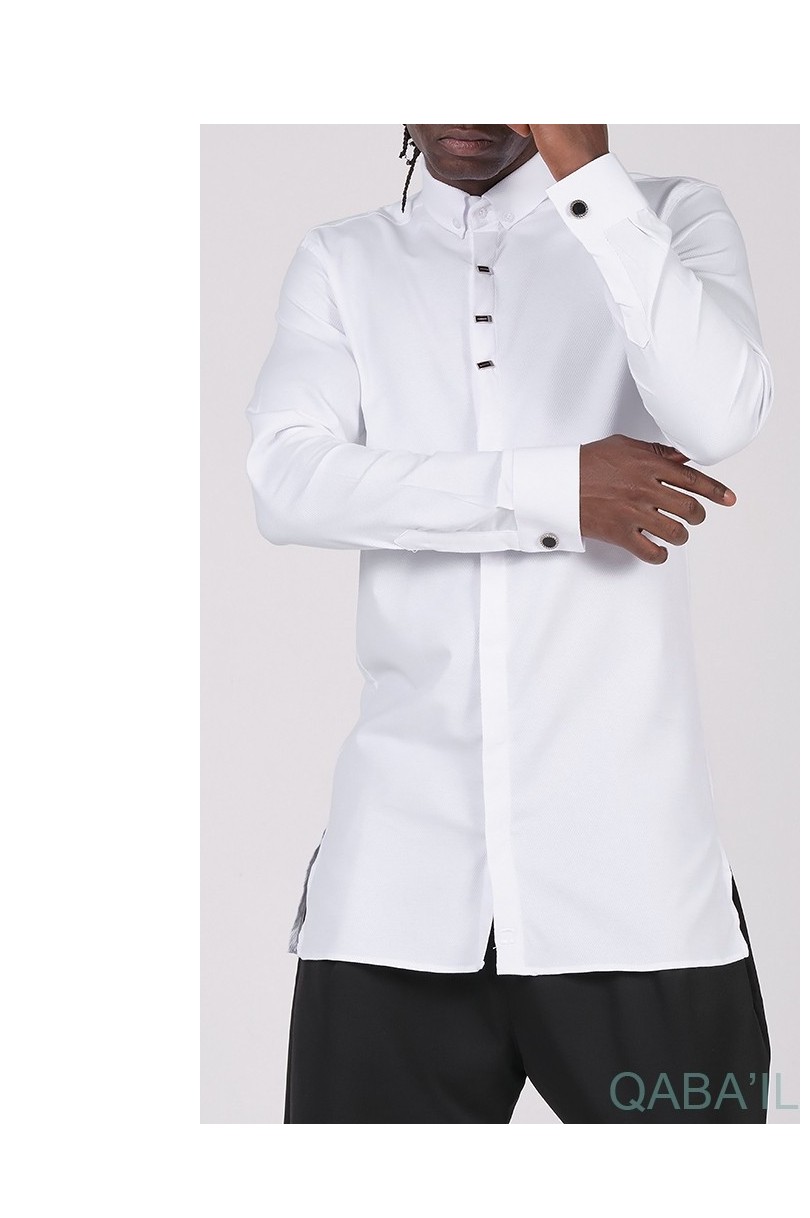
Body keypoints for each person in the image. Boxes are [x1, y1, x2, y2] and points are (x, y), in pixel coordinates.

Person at [245, 124, 775, 1123]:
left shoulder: (666, 218)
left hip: (640, 893)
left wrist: (588, 173)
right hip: (394, 896)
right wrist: (550, 490)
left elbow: (720, 415)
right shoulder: (343, 259)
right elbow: (287, 480)